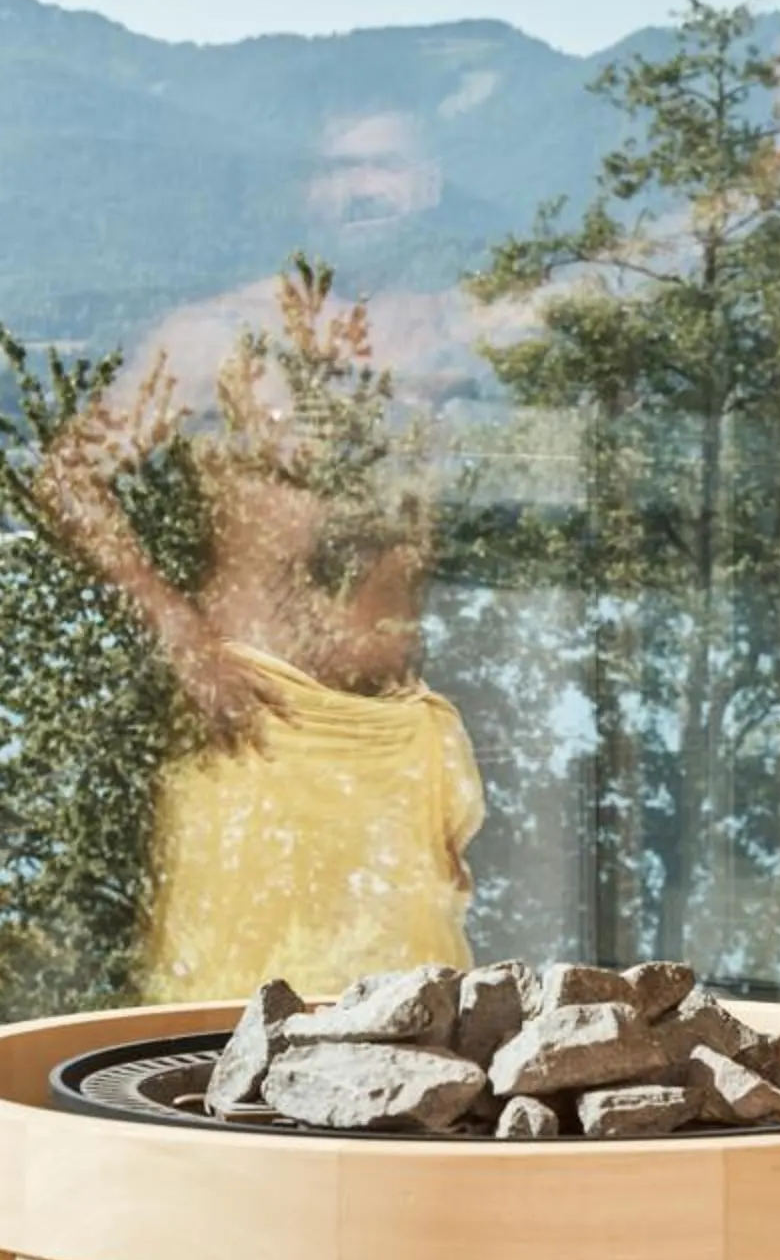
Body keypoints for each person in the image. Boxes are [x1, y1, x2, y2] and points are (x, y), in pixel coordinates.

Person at [37, 324, 482, 1003]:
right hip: (265, 740)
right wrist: (178, 630)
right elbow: (70, 477)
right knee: (242, 1018)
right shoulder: (216, 342)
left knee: (412, 1031)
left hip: (395, 763)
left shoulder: (408, 332)